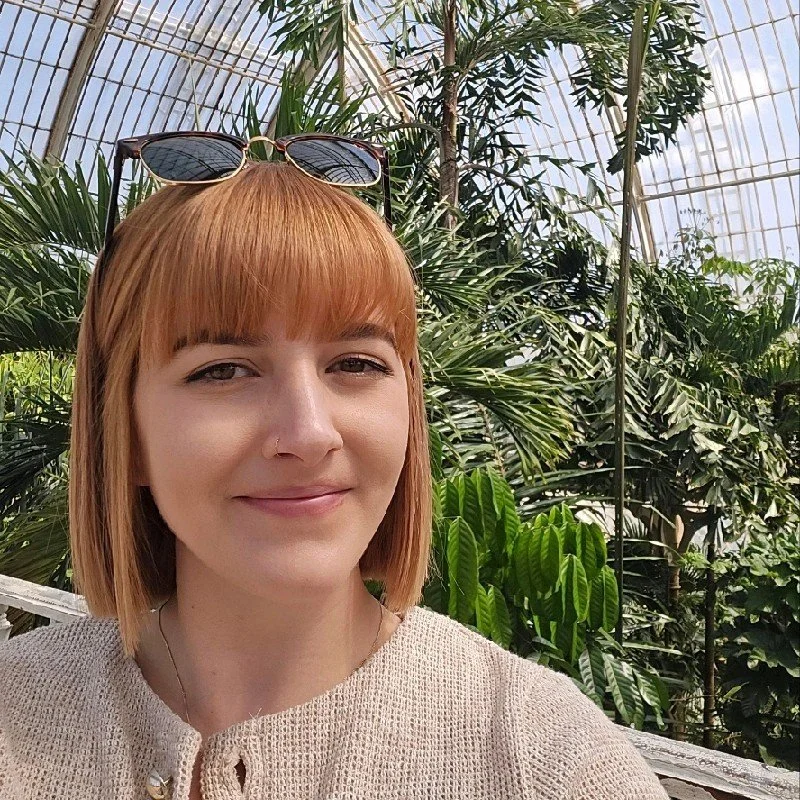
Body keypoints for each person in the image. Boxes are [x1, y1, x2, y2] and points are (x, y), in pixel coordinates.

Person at [0, 148, 668, 800]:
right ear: (126, 432)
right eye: (222, 369)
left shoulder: (539, 752)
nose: (309, 433)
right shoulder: (16, 718)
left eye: (356, 363)